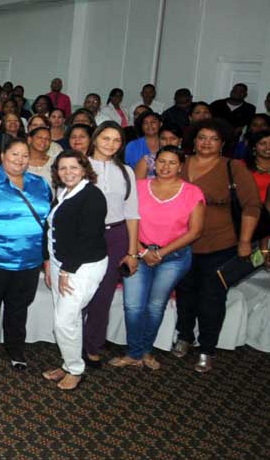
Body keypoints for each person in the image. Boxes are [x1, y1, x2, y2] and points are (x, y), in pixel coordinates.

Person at [173, 120, 261, 373]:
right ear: (194, 140)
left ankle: (207, 348)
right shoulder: (182, 163)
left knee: (212, 299)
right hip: (183, 244)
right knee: (185, 293)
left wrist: (245, 241)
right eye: (202, 137)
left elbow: (252, 206)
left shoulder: (234, 167)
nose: (206, 142)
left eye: (213, 138)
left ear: (222, 143)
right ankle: (184, 336)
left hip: (220, 245)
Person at [110, 146, 205, 370]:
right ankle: (133, 353)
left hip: (173, 258)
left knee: (155, 306)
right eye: (161, 161)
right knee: (133, 306)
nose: (165, 166)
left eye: (172, 162)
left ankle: (145, 351)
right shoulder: (139, 187)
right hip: (138, 253)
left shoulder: (192, 192)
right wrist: (142, 251)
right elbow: (127, 220)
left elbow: (195, 232)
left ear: (181, 166)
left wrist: (161, 253)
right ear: (155, 163)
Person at [0, 138, 52, 369]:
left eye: (25, 155)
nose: (20, 160)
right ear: (2, 155)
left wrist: (46, 258)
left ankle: (15, 348)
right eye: (14, 154)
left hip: (29, 261)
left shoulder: (40, 183)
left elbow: (48, 223)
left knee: (18, 308)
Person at [42, 150, 109, 390]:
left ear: (84, 169)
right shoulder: (64, 192)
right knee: (70, 319)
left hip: (83, 266)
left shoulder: (92, 196)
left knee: (64, 320)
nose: (68, 172)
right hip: (62, 262)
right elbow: (51, 230)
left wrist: (65, 272)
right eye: (62, 168)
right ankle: (69, 363)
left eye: (74, 167)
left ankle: (76, 369)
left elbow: (87, 238)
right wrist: (49, 261)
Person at [82, 123, 141, 367]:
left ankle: (92, 346)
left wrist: (132, 252)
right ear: (95, 139)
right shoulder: (79, 165)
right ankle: (72, 344)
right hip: (85, 236)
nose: (111, 144)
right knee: (79, 292)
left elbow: (132, 213)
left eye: (116, 140)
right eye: (106, 138)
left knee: (104, 294)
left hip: (116, 236)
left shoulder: (126, 171)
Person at [126, 111, 163, 180]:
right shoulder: (132, 145)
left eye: (153, 122)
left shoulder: (166, 143)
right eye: (145, 123)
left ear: (160, 124)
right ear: (142, 126)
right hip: (138, 184)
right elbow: (126, 170)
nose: (150, 125)